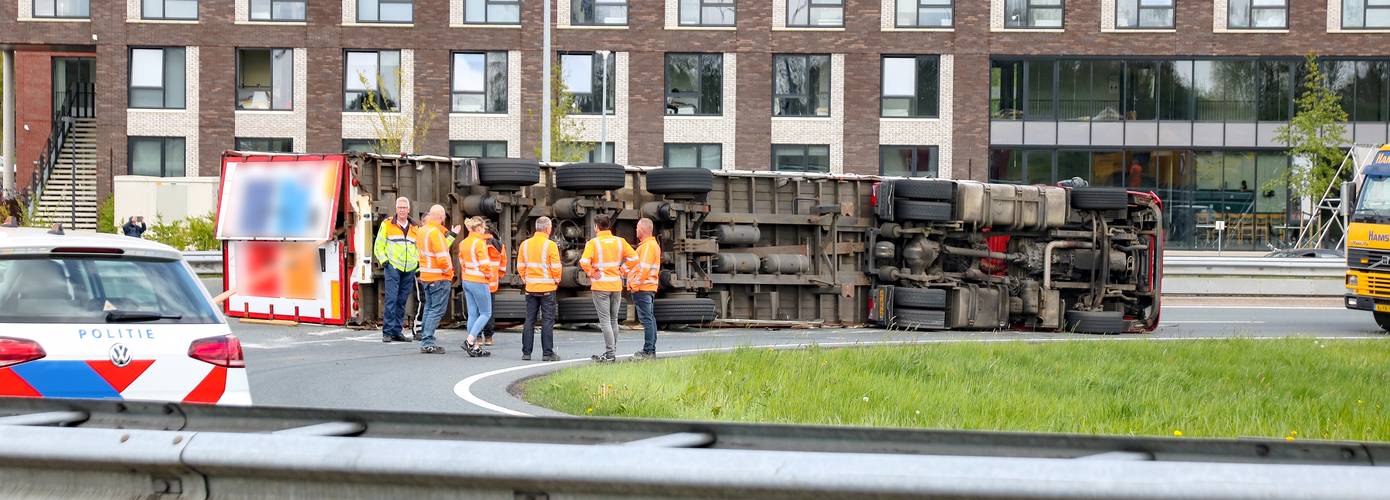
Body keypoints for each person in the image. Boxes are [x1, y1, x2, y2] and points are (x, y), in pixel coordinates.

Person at [579, 214, 637, 363]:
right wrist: (623, 270)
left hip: (601, 286)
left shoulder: (593, 243)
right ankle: (612, 351)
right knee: (613, 320)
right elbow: (634, 258)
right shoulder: (620, 242)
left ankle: (610, 354)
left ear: (597, 227)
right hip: (616, 285)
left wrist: (592, 272)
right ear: (609, 226)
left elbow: (584, 262)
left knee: (605, 321)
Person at [415, 205, 461, 354]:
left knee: (429, 308)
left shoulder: (422, 231)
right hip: (438, 276)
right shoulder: (436, 233)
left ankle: (426, 339)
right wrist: (449, 272)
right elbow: (442, 257)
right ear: (441, 217)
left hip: (427, 276)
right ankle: (428, 341)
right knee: (436, 310)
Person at [516, 217, 562, 362]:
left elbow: (520, 266)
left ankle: (526, 353)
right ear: (548, 229)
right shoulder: (550, 245)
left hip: (531, 288)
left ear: (536, 228)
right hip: (547, 288)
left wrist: (526, 280)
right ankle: (547, 354)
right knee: (547, 320)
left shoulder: (525, 244)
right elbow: (556, 266)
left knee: (529, 319)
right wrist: (557, 280)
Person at [373, 197, 418, 343]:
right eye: (400, 207)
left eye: (405, 207)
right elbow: (378, 244)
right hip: (393, 267)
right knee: (391, 300)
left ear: (409, 209)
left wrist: (416, 263)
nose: (402, 210)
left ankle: (397, 331)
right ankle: (387, 332)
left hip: (409, 268)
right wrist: (385, 262)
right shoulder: (387, 224)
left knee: (402, 300)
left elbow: (419, 247)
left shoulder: (414, 227)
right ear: (396, 209)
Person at [457, 216, 494, 357]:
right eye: (483, 228)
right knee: (486, 313)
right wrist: (489, 276)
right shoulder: (479, 243)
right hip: (479, 280)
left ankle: (475, 347)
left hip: (467, 280)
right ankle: (470, 341)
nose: (484, 230)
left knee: (473, 314)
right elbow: (485, 264)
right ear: (478, 228)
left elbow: (462, 262)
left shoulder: (463, 243)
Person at [629, 218, 661, 360]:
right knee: (650, 319)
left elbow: (644, 268)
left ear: (642, 229)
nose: (636, 230)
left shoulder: (648, 246)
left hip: (643, 287)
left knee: (647, 320)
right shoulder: (649, 245)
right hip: (649, 286)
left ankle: (648, 351)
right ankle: (650, 350)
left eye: (637, 228)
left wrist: (634, 285)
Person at [478, 224, 507, 346]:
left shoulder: (475, 243)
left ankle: (478, 337)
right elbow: (503, 266)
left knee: (477, 311)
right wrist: (497, 276)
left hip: (477, 281)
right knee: (488, 311)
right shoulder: (500, 246)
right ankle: (488, 338)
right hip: (492, 283)